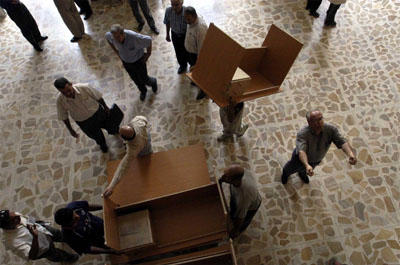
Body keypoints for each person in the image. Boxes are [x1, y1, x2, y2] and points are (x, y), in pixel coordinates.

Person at [281, 110, 357, 184]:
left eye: (321, 118)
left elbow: (342, 141)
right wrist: (307, 165)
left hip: (316, 159)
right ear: (309, 122)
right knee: (291, 168)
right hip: (300, 159)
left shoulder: (331, 129)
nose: (320, 122)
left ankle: (302, 173)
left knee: (307, 169)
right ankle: (286, 174)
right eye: (316, 120)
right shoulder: (303, 133)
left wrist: (350, 155)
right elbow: (302, 151)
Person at [55, 77, 115, 153]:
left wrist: (106, 107)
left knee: (109, 125)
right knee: (96, 135)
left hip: (98, 113)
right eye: (63, 93)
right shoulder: (60, 101)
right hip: (84, 122)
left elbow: (98, 97)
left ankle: (114, 130)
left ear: (70, 84)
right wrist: (70, 129)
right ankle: (102, 144)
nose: (68, 94)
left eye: (68, 90)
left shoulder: (84, 87)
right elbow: (64, 116)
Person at [0, 209, 79, 263]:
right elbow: (32, 256)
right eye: (14, 219)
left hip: (44, 230)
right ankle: (69, 258)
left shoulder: (15, 216)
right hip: (44, 249)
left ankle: (70, 239)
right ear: (8, 226)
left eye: (14, 214)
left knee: (60, 235)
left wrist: (36, 222)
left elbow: (25, 217)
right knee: (57, 255)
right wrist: (35, 237)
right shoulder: (10, 241)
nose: (18, 216)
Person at [103, 116, 152, 197]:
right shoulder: (137, 122)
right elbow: (143, 118)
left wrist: (111, 186)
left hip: (143, 149)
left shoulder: (132, 150)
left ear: (125, 139)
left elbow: (123, 167)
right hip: (146, 135)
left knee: (145, 159)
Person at [106, 24, 158, 101]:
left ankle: (153, 82)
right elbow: (107, 38)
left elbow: (148, 40)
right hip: (126, 63)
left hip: (138, 62)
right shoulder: (112, 36)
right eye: (114, 37)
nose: (116, 40)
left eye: (118, 37)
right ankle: (143, 91)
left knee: (144, 79)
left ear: (123, 33)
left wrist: (148, 54)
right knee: (135, 79)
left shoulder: (134, 37)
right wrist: (116, 51)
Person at [54, 201, 120, 255]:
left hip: (99, 223)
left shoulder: (73, 206)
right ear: (68, 225)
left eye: (75, 213)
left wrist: (104, 207)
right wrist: (109, 251)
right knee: (109, 245)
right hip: (96, 241)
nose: (78, 216)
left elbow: (87, 206)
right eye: (75, 219)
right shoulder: (69, 237)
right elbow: (87, 248)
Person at [218, 166, 262, 238]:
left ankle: (240, 230)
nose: (223, 176)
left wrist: (235, 230)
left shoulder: (243, 198)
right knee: (234, 210)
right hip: (240, 198)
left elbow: (241, 217)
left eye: (226, 176)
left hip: (251, 207)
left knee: (242, 220)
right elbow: (224, 178)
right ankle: (233, 216)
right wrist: (221, 180)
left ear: (234, 180)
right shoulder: (240, 173)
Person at [184, 6, 208, 100]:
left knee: (200, 73)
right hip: (191, 52)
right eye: (185, 18)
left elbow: (201, 48)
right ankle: (195, 80)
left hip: (196, 55)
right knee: (194, 71)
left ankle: (204, 90)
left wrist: (199, 63)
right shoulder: (191, 21)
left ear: (194, 16)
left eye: (188, 19)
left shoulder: (201, 28)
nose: (186, 21)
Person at [164, 0, 189, 74]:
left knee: (187, 51)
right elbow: (167, 22)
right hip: (174, 34)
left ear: (182, 3)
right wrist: (167, 34)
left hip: (185, 35)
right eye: (172, 4)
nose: (174, 7)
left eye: (177, 5)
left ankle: (192, 65)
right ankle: (182, 65)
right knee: (178, 51)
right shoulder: (168, 11)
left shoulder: (187, 12)